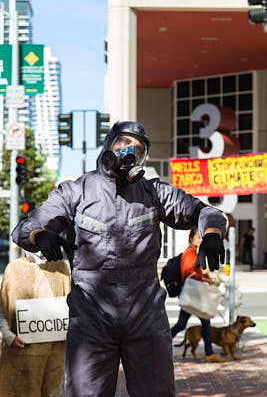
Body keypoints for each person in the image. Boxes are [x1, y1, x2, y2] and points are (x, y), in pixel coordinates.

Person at [12, 121, 227, 397]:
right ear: (108, 146)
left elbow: (201, 211)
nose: (130, 152)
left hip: (145, 318)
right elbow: (24, 228)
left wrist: (210, 232)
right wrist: (40, 235)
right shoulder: (75, 192)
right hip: (91, 320)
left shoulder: (154, 194)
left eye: (138, 150)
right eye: (124, 144)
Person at [0, 251, 71, 397]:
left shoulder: (61, 267)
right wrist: (8, 335)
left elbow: (71, 303)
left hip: (54, 354)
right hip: (21, 353)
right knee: (21, 389)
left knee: (52, 390)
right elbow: (2, 307)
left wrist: (69, 329)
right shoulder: (13, 269)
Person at [171, 227, 225, 363]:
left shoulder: (194, 253)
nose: (200, 240)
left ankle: (209, 353)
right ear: (191, 238)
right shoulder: (190, 253)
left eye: (201, 238)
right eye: (198, 237)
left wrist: (208, 278)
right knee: (181, 324)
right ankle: (160, 345)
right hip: (191, 293)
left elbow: (198, 272)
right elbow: (190, 272)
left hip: (194, 294)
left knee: (205, 322)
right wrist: (206, 279)